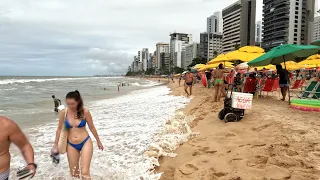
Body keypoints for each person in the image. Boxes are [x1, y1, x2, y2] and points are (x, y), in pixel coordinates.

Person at [53, 90, 103, 179]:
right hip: (71, 145)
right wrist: (55, 144)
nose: (70, 106)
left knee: (85, 173)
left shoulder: (85, 112)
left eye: (72, 104)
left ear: (78, 102)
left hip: (85, 142)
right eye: (68, 104)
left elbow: (92, 127)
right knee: (74, 174)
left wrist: (98, 141)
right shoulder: (64, 113)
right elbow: (60, 128)